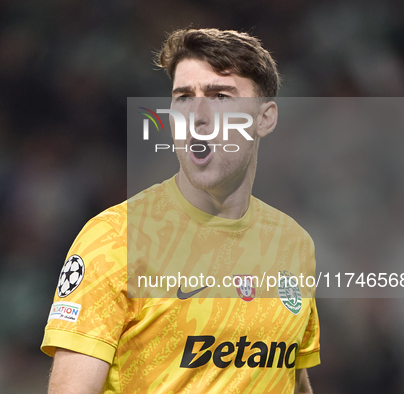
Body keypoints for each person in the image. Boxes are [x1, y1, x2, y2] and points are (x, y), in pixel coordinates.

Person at [41, 28, 320, 393]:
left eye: (221, 96)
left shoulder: (294, 244)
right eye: (184, 97)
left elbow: (289, 377)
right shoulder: (115, 238)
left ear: (265, 119)